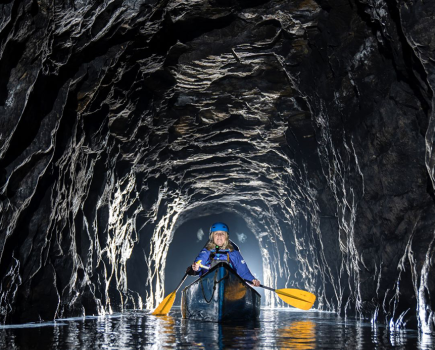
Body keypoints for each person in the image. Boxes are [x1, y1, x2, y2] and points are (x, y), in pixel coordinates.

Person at [190, 222, 261, 287]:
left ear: (226, 237)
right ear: (212, 236)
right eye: (216, 233)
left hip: (229, 287)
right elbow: (200, 261)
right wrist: (196, 267)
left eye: (222, 233)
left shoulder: (234, 253)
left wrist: (253, 280)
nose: (219, 236)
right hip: (209, 285)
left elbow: (244, 272)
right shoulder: (207, 251)